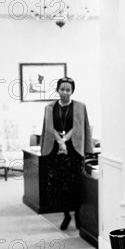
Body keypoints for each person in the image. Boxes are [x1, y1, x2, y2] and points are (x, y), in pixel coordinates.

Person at [40, 77, 94, 230]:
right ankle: (66, 215)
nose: (64, 92)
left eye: (68, 90)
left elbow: (81, 127)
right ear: (57, 90)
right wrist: (59, 140)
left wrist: (66, 139)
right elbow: (48, 127)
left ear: (72, 91)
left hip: (74, 152)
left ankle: (77, 214)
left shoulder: (80, 106)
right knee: (59, 185)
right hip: (56, 152)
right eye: (62, 89)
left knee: (76, 185)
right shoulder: (49, 107)